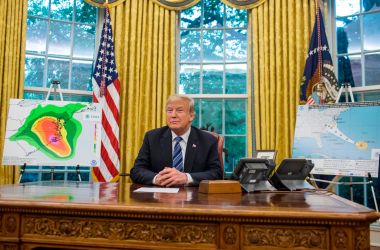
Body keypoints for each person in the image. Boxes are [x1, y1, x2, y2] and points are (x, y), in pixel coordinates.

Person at [130, 94, 222, 187]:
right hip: (160, 196)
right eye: (169, 110)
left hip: (194, 198)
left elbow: (216, 173)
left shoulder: (207, 140)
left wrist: (186, 178)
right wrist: (156, 178)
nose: (173, 115)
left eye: (179, 110)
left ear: (191, 116)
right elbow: (137, 170)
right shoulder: (152, 137)